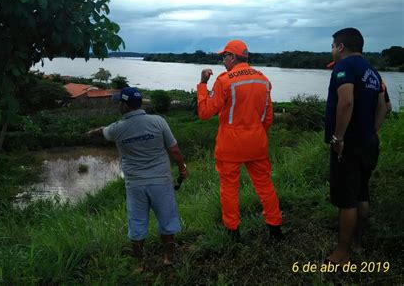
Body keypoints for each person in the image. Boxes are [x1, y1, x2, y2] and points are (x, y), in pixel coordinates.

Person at [86, 87, 187, 272]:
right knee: (167, 221)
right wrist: (182, 168)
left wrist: (89, 133)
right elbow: (174, 150)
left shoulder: (117, 128)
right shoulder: (158, 121)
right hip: (161, 182)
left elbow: (102, 132)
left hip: (135, 185)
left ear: (124, 105)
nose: (118, 106)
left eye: (119, 103)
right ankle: (168, 259)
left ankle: (140, 265)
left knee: (137, 224)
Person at [197, 39, 283, 241]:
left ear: (233, 57)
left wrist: (202, 84)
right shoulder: (263, 80)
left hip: (230, 146)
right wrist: (257, 134)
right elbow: (268, 116)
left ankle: (233, 231)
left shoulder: (224, 80)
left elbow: (204, 112)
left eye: (223, 56)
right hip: (257, 143)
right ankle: (275, 228)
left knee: (229, 189)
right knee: (265, 186)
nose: (222, 61)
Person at [324, 28, 388, 264]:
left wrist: (338, 138)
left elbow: (346, 101)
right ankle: (358, 243)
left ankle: (342, 253)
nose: (332, 49)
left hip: (348, 145)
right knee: (361, 193)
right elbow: (385, 107)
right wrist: (370, 132)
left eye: (333, 45)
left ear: (341, 47)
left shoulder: (344, 67)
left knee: (346, 199)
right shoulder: (373, 72)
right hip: (368, 143)